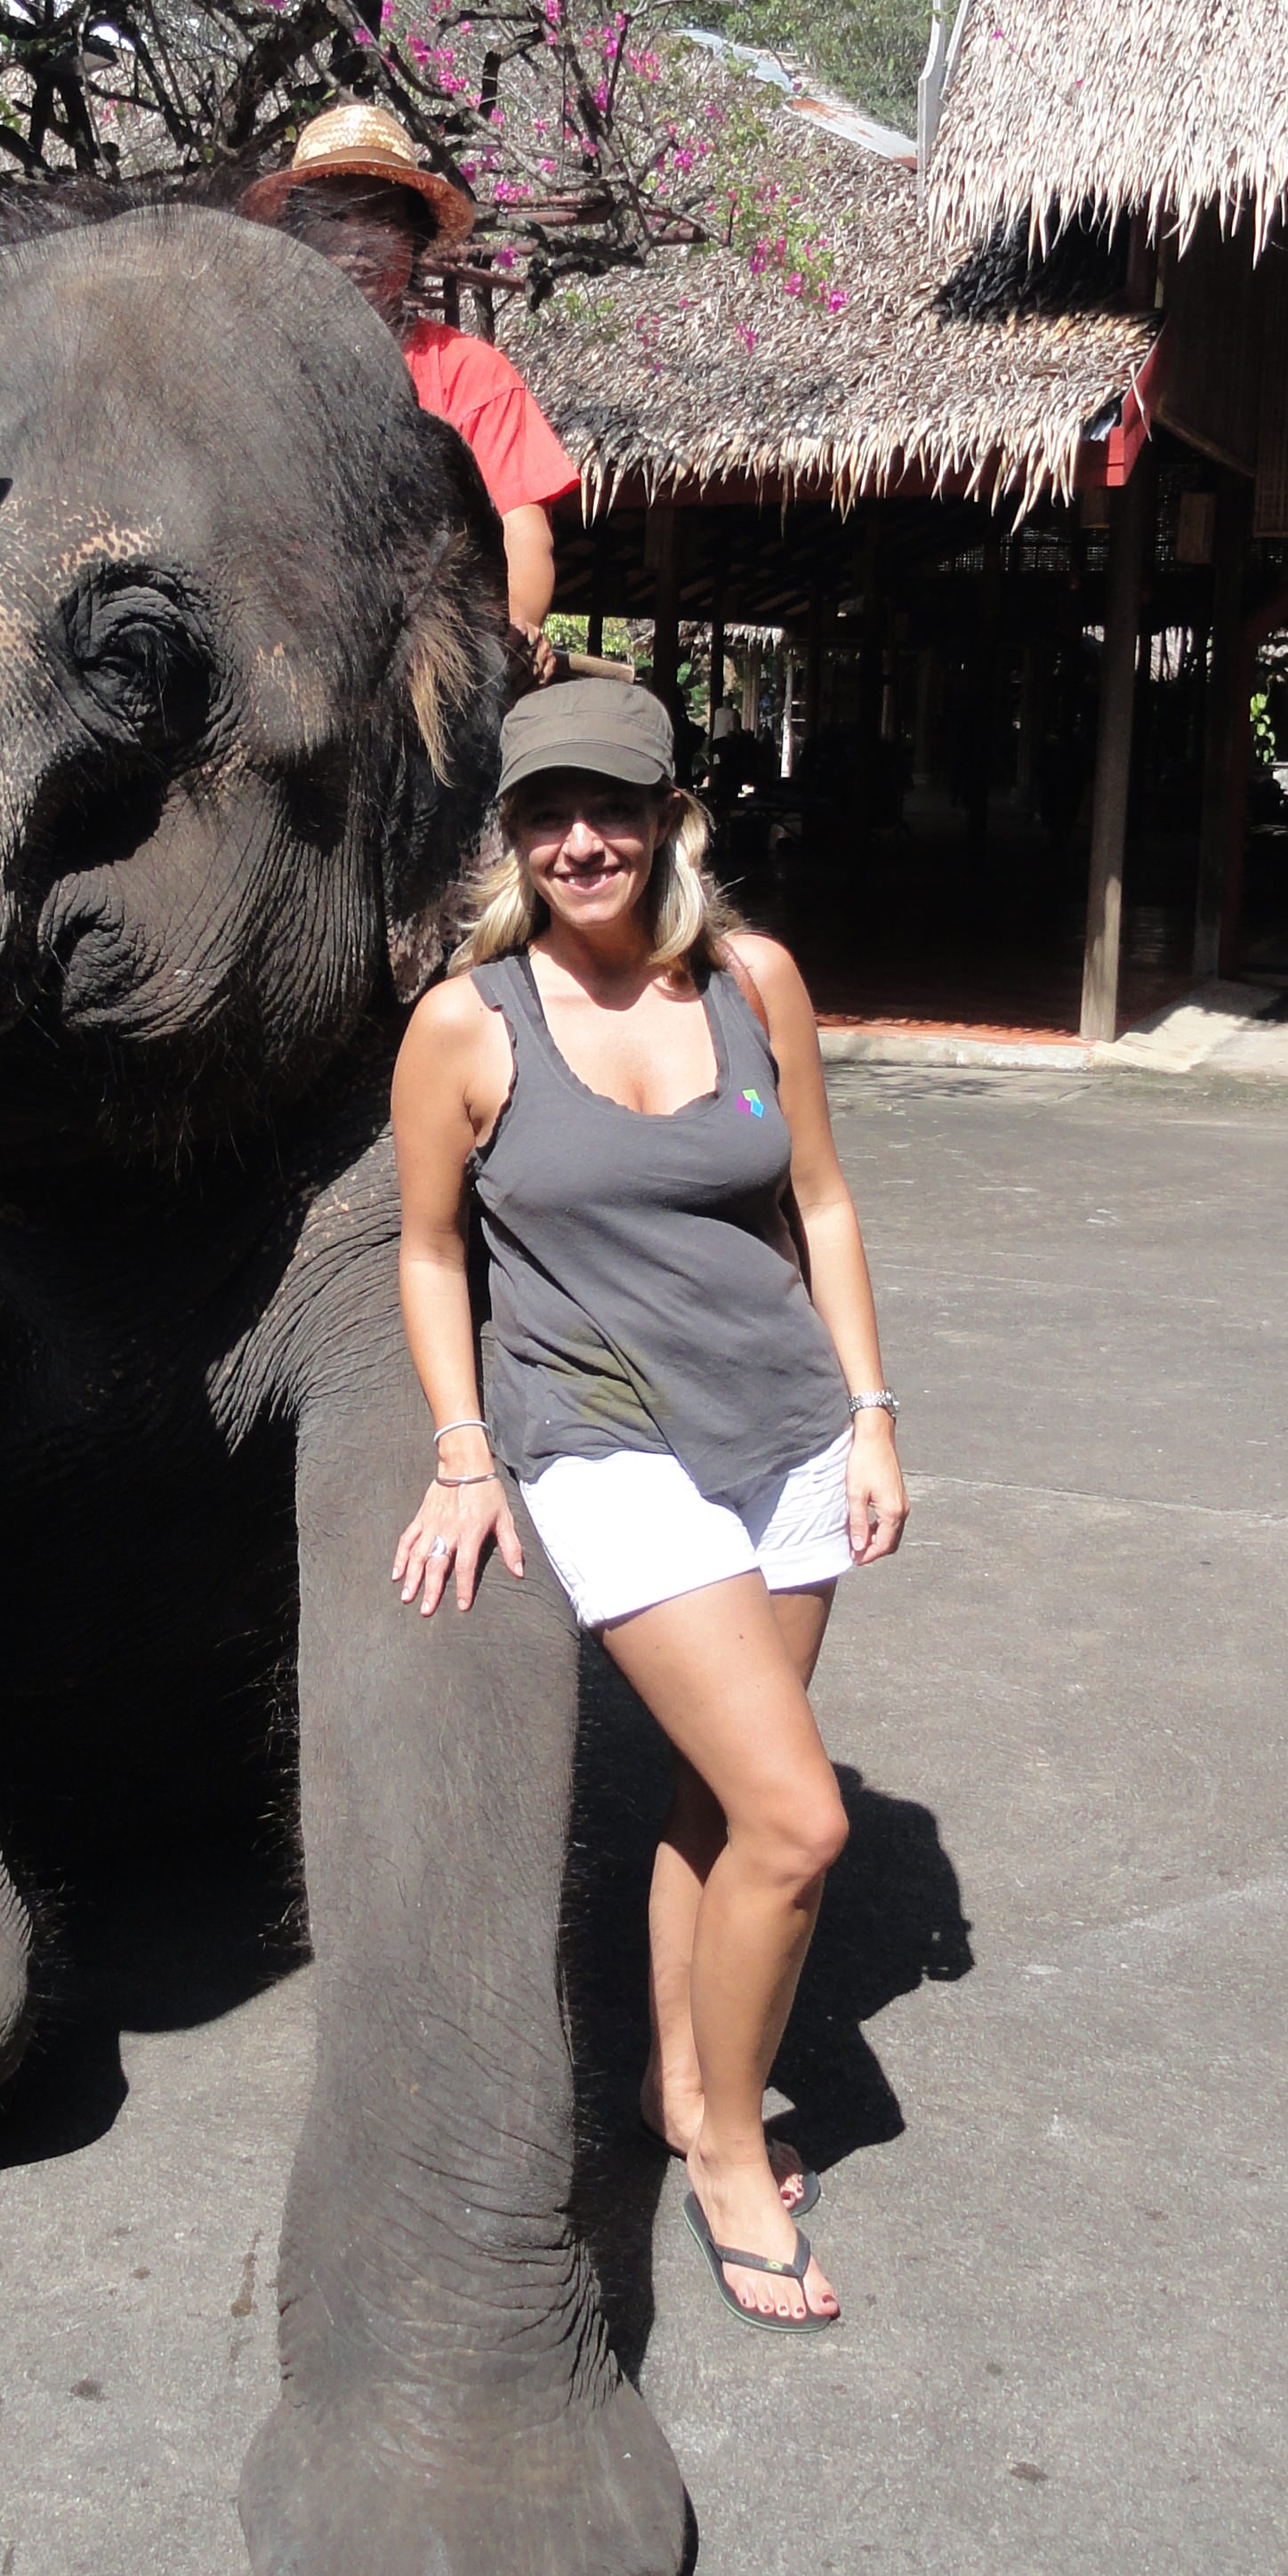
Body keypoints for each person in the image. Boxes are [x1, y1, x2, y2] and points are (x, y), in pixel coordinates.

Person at [387, 682, 908, 2333]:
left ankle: (684, 2086)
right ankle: (733, 2160)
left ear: (671, 818)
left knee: (718, 1793)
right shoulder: (469, 1023)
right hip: (607, 1445)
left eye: (610, 807)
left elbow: (821, 1202)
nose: (580, 843)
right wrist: (464, 1450)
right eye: (545, 815)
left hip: (788, 1430)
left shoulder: (755, 982)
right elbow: (430, 1251)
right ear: (512, 837)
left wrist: (873, 1416)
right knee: (800, 1820)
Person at [243, 102, 578, 656]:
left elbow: (523, 531)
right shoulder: (252, 366)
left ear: (414, 241)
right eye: (335, 217)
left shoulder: (470, 372)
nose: (357, 243)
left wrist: (514, 637)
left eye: (381, 220)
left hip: (433, 658)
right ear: (298, 236)